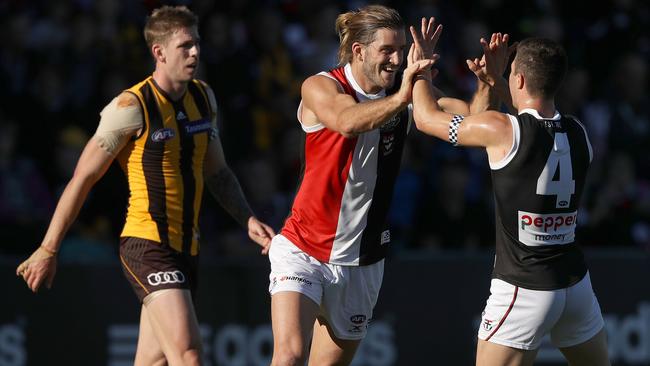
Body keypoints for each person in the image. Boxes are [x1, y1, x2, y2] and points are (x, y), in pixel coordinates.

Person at [16, 6, 275, 366]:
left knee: (154, 361)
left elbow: (217, 172)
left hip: (188, 247)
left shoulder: (204, 98)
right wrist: (48, 248)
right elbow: (83, 178)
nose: (196, 52)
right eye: (185, 45)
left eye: (197, 43)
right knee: (188, 354)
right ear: (159, 52)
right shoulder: (131, 105)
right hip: (147, 243)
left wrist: (247, 219)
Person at [267, 6, 493, 365]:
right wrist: (404, 96)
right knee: (290, 355)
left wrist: (486, 82)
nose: (397, 59)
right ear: (359, 50)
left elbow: (475, 120)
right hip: (304, 248)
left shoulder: (407, 92)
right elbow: (346, 121)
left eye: (402, 50)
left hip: (363, 259)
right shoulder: (322, 86)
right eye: (387, 50)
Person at [409, 22, 610, 366]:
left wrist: (421, 68)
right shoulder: (579, 132)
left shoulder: (503, 129)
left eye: (512, 74)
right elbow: (523, 114)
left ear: (517, 80)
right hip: (575, 285)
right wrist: (491, 80)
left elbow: (427, 119)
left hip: (523, 287)